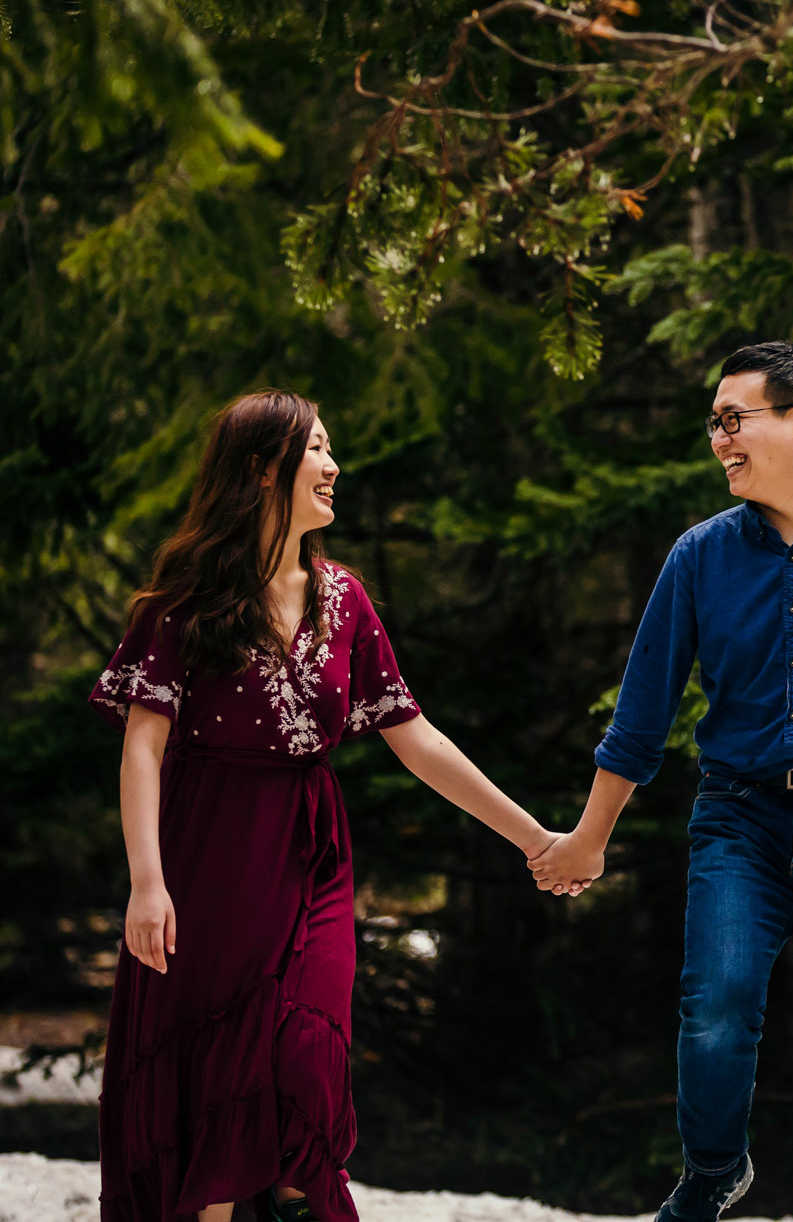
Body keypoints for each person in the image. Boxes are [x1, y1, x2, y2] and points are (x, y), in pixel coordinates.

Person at [89, 391, 569, 1222]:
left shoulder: (344, 598)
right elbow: (142, 745)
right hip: (209, 858)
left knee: (307, 1066)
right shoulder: (185, 601)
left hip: (312, 852)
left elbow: (417, 738)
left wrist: (535, 838)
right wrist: (146, 881)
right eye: (317, 447)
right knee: (221, 1085)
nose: (334, 465)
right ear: (262, 467)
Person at [529, 341, 793, 1222]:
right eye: (713, 424)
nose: (718, 439)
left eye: (734, 420)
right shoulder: (698, 557)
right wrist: (590, 836)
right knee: (715, 1019)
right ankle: (715, 1170)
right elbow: (641, 716)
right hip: (741, 822)